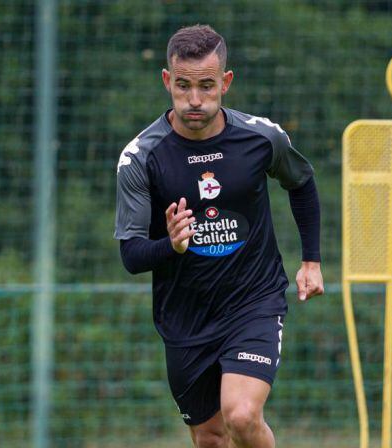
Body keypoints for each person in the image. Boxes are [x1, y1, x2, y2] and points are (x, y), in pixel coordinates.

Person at [114, 24, 323, 448]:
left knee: (242, 416)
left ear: (225, 82)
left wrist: (311, 261)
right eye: (184, 86)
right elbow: (132, 255)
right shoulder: (141, 157)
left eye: (207, 86)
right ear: (167, 81)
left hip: (254, 301)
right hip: (185, 317)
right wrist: (169, 245)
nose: (195, 100)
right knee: (211, 438)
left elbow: (301, 183)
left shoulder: (261, 137)